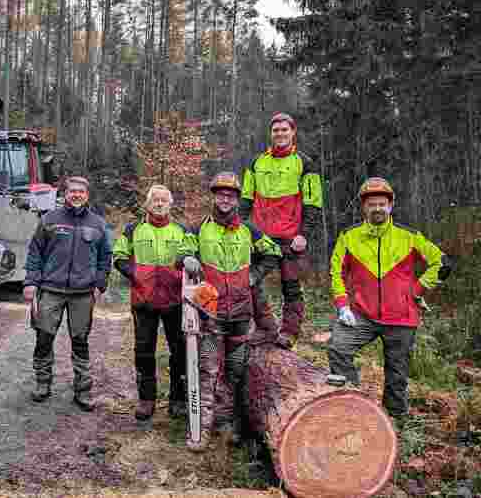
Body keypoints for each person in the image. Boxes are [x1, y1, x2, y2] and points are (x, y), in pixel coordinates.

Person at [328, 177, 451, 424]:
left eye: (382, 204)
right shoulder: (348, 237)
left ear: (391, 205)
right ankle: (352, 407)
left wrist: (416, 290)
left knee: (397, 375)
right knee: (338, 348)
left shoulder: (409, 236)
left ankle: (397, 423)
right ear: (363, 207)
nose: (377, 208)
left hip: (402, 316)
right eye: (372, 204)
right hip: (362, 314)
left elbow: (442, 263)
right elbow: (336, 272)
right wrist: (342, 306)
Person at [182, 172, 282, 452]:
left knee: (237, 372)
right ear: (213, 196)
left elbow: (274, 252)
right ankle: (200, 429)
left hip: (240, 314)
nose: (225, 199)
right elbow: (183, 251)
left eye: (231, 195)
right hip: (210, 314)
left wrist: (254, 275)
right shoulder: (199, 228)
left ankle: (231, 424)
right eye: (220, 194)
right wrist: (188, 259)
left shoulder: (250, 231)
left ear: (237, 199)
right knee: (208, 370)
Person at [23, 176, 111, 411]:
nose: (76, 195)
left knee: (80, 341)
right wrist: (31, 283)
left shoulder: (98, 224)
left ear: (87, 195)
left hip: (82, 293)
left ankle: (82, 390)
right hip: (50, 290)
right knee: (44, 337)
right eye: (72, 191)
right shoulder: (49, 220)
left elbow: (105, 258)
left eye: (81, 191)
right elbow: (34, 253)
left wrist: (99, 284)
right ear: (65, 194)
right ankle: (43, 384)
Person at [239, 112, 324, 348]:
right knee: (250, 281)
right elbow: (246, 198)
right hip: (260, 235)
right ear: (271, 133)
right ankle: (266, 327)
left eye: (284, 129)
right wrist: (240, 229)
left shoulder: (305, 163)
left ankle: (290, 332)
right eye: (276, 130)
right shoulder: (257, 163)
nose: (280, 133)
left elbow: (313, 202)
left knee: (291, 286)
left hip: (291, 235)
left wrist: (304, 234)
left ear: (293, 132)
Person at [112, 184, 190, 421]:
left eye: (163, 200)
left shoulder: (182, 230)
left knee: (179, 351)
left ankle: (177, 399)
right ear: (147, 203)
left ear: (170, 204)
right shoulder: (133, 229)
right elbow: (119, 256)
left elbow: (191, 256)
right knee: (144, 352)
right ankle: (146, 399)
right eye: (154, 199)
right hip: (143, 301)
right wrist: (135, 274)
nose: (158, 203)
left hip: (174, 301)